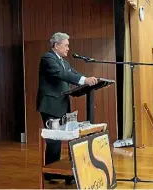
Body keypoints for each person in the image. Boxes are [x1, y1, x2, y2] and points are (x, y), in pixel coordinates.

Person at [36, 32, 98, 182]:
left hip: (62, 104)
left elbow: (73, 74)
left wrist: (88, 80)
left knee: (65, 138)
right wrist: (84, 80)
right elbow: (62, 74)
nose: (68, 48)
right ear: (56, 46)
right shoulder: (48, 58)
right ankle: (50, 171)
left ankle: (64, 170)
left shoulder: (64, 61)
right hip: (51, 105)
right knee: (54, 140)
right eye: (66, 45)